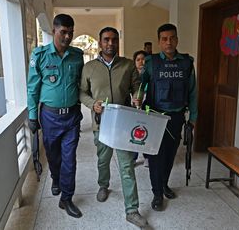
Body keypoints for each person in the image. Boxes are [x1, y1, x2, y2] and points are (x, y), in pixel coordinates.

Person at [79, 27, 148, 228]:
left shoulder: (127, 65)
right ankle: (103, 185)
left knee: (127, 166)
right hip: (101, 124)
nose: (111, 43)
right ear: (100, 43)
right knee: (103, 159)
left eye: (114, 40)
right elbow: (82, 92)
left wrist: (138, 97)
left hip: (123, 124)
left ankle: (132, 210)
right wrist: (93, 104)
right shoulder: (89, 67)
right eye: (107, 40)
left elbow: (137, 86)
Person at [27, 14, 84, 218]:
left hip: (71, 117)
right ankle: (56, 178)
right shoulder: (40, 55)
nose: (67, 36)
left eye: (71, 32)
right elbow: (32, 88)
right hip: (49, 116)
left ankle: (66, 198)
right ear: (54, 31)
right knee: (53, 155)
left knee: (70, 158)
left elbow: (82, 84)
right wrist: (32, 116)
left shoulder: (77, 55)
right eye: (63, 32)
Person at [141, 23, 197, 211]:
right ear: (159, 42)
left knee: (170, 154)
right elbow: (139, 86)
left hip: (177, 117)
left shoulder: (187, 63)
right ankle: (157, 193)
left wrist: (193, 117)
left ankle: (164, 184)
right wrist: (136, 99)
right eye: (164, 39)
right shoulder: (151, 62)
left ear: (177, 40)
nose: (169, 42)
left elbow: (193, 92)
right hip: (155, 117)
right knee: (156, 156)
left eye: (172, 38)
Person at [131, 50, 149, 167]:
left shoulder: (150, 74)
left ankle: (147, 156)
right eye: (138, 59)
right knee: (134, 132)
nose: (141, 62)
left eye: (144, 59)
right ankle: (133, 157)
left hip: (147, 107)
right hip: (134, 108)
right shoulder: (131, 76)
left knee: (148, 131)